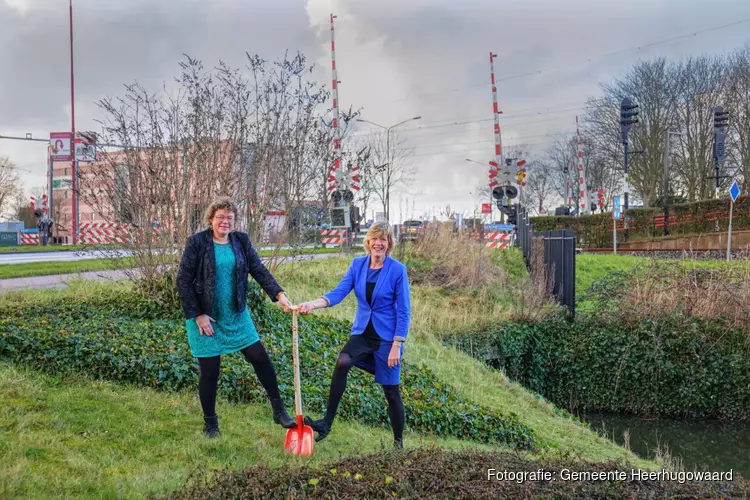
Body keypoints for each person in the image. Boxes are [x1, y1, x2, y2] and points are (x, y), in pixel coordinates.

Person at [177, 196, 296, 438]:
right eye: (220, 217)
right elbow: (183, 281)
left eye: (229, 218)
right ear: (211, 219)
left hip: (236, 314)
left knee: (260, 358)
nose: (225, 222)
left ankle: (279, 410)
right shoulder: (197, 243)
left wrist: (279, 294)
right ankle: (211, 423)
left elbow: (258, 270)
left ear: (235, 221)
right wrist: (198, 315)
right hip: (205, 316)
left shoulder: (240, 241)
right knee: (210, 371)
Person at [298, 221, 411, 447]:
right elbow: (339, 292)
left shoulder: (398, 270)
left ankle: (398, 444)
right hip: (362, 332)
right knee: (342, 362)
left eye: (383, 239)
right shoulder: (357, 265)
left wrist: (397, 345)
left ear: (389, 244)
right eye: (374, 239)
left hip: (387, 339)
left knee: (391, 392)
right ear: (367, 242)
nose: (378, 243)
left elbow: (404, 310)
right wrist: (312, 303)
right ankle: (326, 423)